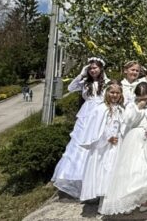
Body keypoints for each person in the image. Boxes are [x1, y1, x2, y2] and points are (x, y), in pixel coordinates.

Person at [100, 82, 147, 215]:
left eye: (145, 98)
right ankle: (130, 200)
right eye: (140, 98)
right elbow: (128, 120)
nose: (143, 100)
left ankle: (145, 199)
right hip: (134, 139)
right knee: (133, 169)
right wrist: (138, 107)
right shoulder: (132, 105)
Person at [52, 57, 108, 198]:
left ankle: (96, 178)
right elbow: (70, 88)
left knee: (96, 141)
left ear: (101, 68)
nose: (93, 70)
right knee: (80, 143)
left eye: (95, 68)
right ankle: (77, 176)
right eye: (90, 68)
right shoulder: (85, 83)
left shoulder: (106, 83)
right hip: (86, 114)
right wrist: (81, 74)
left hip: (100, 113)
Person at [79, 81, 125, 203]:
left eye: (117, 93)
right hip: (104, 145)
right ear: (107, 93)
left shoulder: (121, 109)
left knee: (114, 169)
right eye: (112, 92)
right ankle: (103, 197)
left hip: (117, 144)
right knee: (104, 169)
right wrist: (107, 138)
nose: (114, 95)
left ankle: (113, 197)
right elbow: (96, 127)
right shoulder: (101, 109)